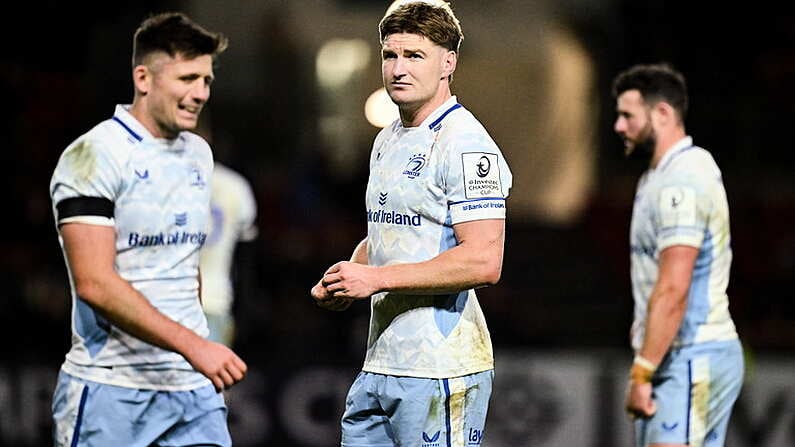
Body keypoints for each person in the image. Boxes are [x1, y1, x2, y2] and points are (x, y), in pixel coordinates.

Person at [311, 1, 512, 446]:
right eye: (390, 55)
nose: (398, 68)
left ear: (448, 63)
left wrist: (376, 279)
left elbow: (483, 260)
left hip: (440, 368)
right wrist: (348, 275)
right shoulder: (387, 137)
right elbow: (389, 228)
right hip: (381, 362)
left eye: (414, 56)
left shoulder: (464, 144)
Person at [49, 12, 247, 446]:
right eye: (188, 78)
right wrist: (195, 345)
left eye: (207, 81)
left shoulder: (199, 154)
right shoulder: (93, 156)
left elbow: (185, 263)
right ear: (143, 78)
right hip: (112, 388)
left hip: (191, 390)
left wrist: (195, 349)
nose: (200, 93)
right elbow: (95, 284)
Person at [612, 63, 744, 447]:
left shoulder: (682, 181)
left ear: (663, 113)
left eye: (627, 115)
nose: (619, 126)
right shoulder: (659, 176)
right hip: (679, 356)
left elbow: (673, 287)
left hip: (692, 354)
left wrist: (642, 371)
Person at [200, 161, 259, 346]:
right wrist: (242, 313)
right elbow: (245, 259)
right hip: (215, 302)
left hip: (166, 303)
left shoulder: (157, 176)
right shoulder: (235, 185)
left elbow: (244, 257)